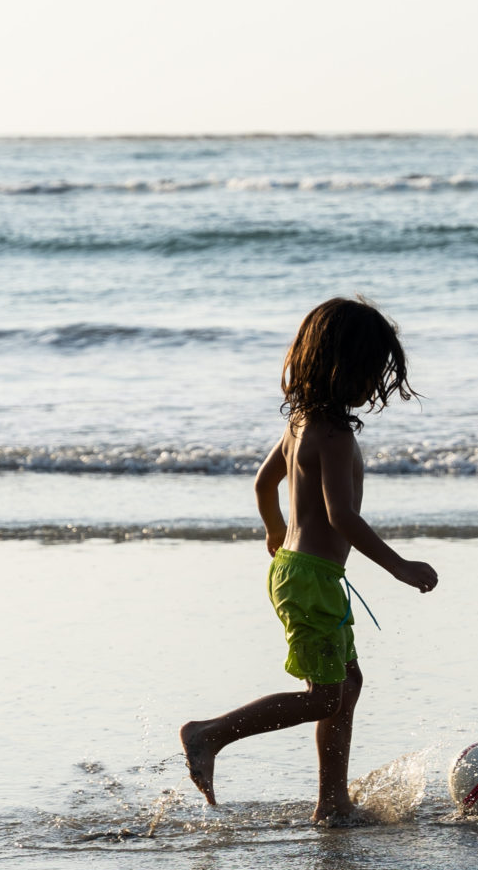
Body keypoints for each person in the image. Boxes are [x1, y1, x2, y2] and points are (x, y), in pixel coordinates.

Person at [181, 297, 438, 823]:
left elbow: (263, 482)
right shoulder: (336, 435)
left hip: (300, 574)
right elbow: (342, 517)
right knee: (325, 697)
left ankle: (332, 802)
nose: (375, 386)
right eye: (372, 372)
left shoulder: (300, 422)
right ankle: (209, 734)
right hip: (314, 580)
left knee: (348, 685)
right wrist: (400, 567)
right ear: (346, 368)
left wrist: (276, 528)